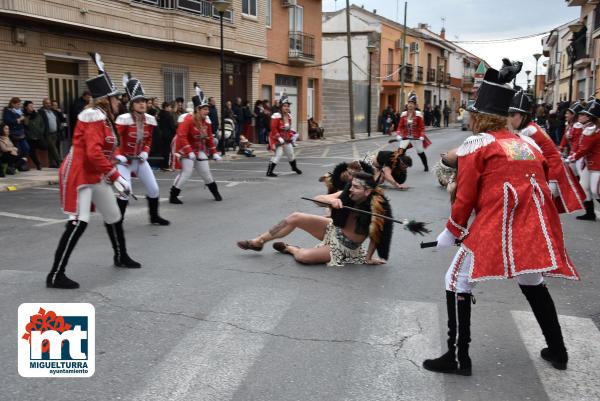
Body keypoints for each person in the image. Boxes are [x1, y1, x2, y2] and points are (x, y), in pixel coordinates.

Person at [422, 59, 578, 376]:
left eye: (471, 115)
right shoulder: (524, 143)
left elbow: (465, 196)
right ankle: (558, 351)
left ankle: (456, 357)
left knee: (455, 280)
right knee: (533, 281)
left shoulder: (477, 144)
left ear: (480, 116)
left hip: (498, 224)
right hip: (531, 226)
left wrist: (451, 232)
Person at [48, 53, 141, 289]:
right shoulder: (93, 116)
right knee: (79, 221)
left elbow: (106, 151)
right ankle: (56, 274)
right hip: (80, 173)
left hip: (96, 172)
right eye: (116, 98)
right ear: (105, 100)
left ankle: (120, 256)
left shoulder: (106, 119)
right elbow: (92, 152)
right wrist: (116, 176)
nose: (120, 102)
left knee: (113, 215)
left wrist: (113, 173)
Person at [237, 172, 392, 266]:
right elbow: (317, 199)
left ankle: (291, 249)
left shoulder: (377, 207)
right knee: (295, 217)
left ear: (367, 191)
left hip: (345, 247)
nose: (351, 189)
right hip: (333, 229)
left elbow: (377, 235)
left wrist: (368, 257)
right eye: (352, 185)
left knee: (304, 257)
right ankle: (259, 241)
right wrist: (330, 201)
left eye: (356, 187)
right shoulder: (347, 193)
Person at [508, 90, 586, 214]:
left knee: (540, 212)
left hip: (552, 173)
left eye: (512, 115)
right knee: (542, 212)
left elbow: (516, 157)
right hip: (551, 171)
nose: (510, 119)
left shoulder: (528, 131)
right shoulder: (531, 127)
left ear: (523, 116)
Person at [114, 74, 169, 226]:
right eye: (138, 101)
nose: (142, 104)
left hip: (139, 160)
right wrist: (119, 156)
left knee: (154, 189)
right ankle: (117, 221)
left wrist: (145, 151)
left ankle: (154, 216)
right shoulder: (124, 119)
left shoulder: (150, 120)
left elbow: (149, 139)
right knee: (125, 190)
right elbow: (114, 140)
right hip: (124, 161)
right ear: (132, 104)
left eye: (144, 101)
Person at [169, 83, 223, 203]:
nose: (207, 111)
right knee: (187, 172)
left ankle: (215, 193)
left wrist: (214, 153)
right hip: (183, 147)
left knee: (205, 172)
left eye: (207, 108)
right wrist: (189, 152)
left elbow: (209, 138)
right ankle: (173, 195)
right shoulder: (188, 120)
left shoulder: (206, 122)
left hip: (198, 149)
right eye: (204, 109)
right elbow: (181, 136)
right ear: (197, 110)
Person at [567, 99, 600, 221]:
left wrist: (571, 158)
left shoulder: (594, 131)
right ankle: (590, 213)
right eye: (580, 114)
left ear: (591, 117)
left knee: (596, 191)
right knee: (583, 186)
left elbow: (584, 149)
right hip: (588, 164)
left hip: (597, 165)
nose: (580, 116)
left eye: (584, 114)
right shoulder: (587, 129)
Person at [266, 94, 302, 177]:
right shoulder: (276, 116)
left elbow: (288, 129)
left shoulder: (289, 116)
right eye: (285, 106)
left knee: (291, 154)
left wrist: (292, 135)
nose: (286, 108)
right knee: (278, 154)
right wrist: (279, 138)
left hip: (286, 138)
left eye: (288, 106)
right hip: (276, 138)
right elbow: (273, 128)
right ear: (281, 107)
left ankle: (294, 168)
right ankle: (269, 172)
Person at [395, 92, 431, 171]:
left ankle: (426, 166)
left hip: (416, 137)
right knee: (400, 151)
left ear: (415, 105)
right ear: (407, 105)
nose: (410, 105)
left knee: (420, 152)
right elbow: (399, 127)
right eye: (409, 103)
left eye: (412, 104)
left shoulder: (418, 115)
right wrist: (398, 134)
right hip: (406, 136)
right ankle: (399, 166)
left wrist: (421, 136)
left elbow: (422, 127)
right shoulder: (404, 114)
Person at [2, 97, 30, 168]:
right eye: (17, 104)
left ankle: (22, 163)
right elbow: (7, 121)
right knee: (18, 149)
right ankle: (18, 165)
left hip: (21, 133)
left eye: (19, 104)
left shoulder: (20, 111)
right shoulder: (8, 111)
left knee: (26, 148)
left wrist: (24, 119)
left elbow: (25, 121)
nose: (19, 106)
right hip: (14, 133)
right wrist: (18, 120)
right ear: (12, 104)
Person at [559, 101, 585, 178]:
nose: (565, 115)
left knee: (576, 174)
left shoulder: (578, 126)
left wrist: (572, 155)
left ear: (573, 115)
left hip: (579, 154)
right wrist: (560, 148)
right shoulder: (569, 125)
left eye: (567, 114)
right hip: (573, 153)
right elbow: (565, 137)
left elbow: (577, 143)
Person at [39, 97, 63, 167]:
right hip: (47, 133)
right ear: (43, 104)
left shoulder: (53, 111)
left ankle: (51, 163)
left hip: (55, 133)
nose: (48, 104)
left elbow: (60, 119)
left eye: (49, 103)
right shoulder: (41, 112)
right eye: (46, 103)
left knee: (51, 148)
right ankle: (59, 163)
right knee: (53, 147)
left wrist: (59, 112)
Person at [23, 100, 43, 170]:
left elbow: (42, 123)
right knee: (32, 150)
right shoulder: (24, 116)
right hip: (29, 137)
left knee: (44, 146)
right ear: (26, 107)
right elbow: (25, 126)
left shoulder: (36, 114)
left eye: (32, 106)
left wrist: (40, 131)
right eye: (30, 106)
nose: (32, 107)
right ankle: (38, 164)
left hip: (38, 135)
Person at [158, 101, 176, 171]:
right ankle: (166, 166)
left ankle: (162, 165)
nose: (170, 109)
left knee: (163, 150)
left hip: (162, 135)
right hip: (168, 135)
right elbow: (172, 126)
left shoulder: (160, 114)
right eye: (169, 107)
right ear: (166, 107)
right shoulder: (168, 115)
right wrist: (175, 133)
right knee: (167, 151)